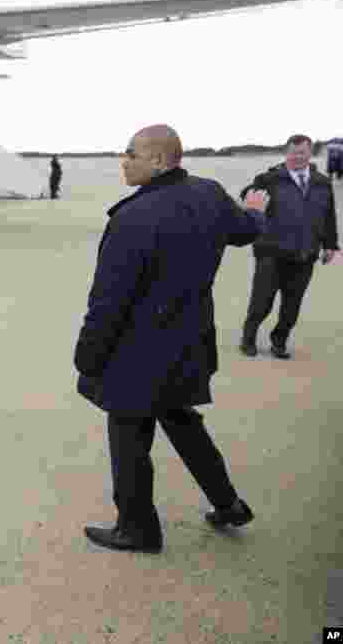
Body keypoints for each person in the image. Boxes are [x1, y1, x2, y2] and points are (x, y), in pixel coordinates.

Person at [74, 124, 269, 553]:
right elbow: (245, 231)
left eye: (130, 154)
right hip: (188, 344)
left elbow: (108, 302)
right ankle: (229, 503)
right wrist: (255, 210)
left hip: (137, 354)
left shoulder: (133, 218)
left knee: (129, 436)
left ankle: (137, 528)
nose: (123, 161)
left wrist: (87, 357)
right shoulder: (211, 194)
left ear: (159, 160)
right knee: (182, 422)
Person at [238, 134, 338, 359]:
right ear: (287, 153)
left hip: (306, 254)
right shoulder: (269, 179)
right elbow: (247, 195)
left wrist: (331, 245)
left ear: (310, 153)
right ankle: (248, 339)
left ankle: (279, 342)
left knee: (291, 308)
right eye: (293, 152)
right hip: (271, 253)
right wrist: (250, 197)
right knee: (261, 303)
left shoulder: (322, 182)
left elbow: (329, 216)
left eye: (302, 152)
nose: (297, 157)